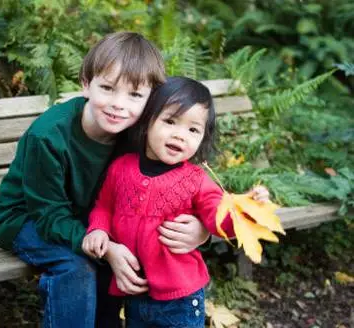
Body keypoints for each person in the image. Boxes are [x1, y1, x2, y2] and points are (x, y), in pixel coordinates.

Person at [0, 33, 210, 328]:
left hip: (92, 223)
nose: (118, 105)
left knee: (116, 264)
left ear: (151, 100)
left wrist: (203, 230)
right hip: (26, 218)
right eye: (107, 88)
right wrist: (107, 248)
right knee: (77, 266)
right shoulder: (49, 136)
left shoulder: (139, 136)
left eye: (134, 95)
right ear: (85, 84)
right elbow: (49, 216)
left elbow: (186, 188)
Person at [82, 77, 271, 327]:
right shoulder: (121, 168)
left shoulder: (196, 180)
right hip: (135, 293)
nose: (180, 135)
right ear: (148, 121)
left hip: (180, 299)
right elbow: (104, 205)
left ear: (202, 138)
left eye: (193, 130)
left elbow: (219, 220)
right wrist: (98, 229)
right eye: (170, 121)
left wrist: (248, 209)